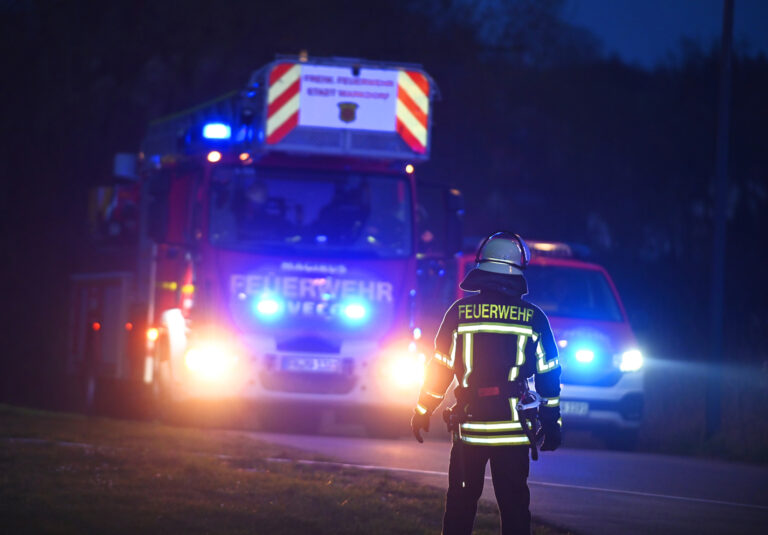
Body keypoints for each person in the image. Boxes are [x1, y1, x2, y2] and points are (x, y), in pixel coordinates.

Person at [411, 231, 562, 535]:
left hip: (470, 432)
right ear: (518, 270)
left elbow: (439, 370)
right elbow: (549, 373)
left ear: (481, 267)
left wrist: (423, 409)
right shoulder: (534, 318)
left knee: (460, 507)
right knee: (515, 508)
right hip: (513, 433)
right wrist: (552, 421)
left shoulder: (458, 314)